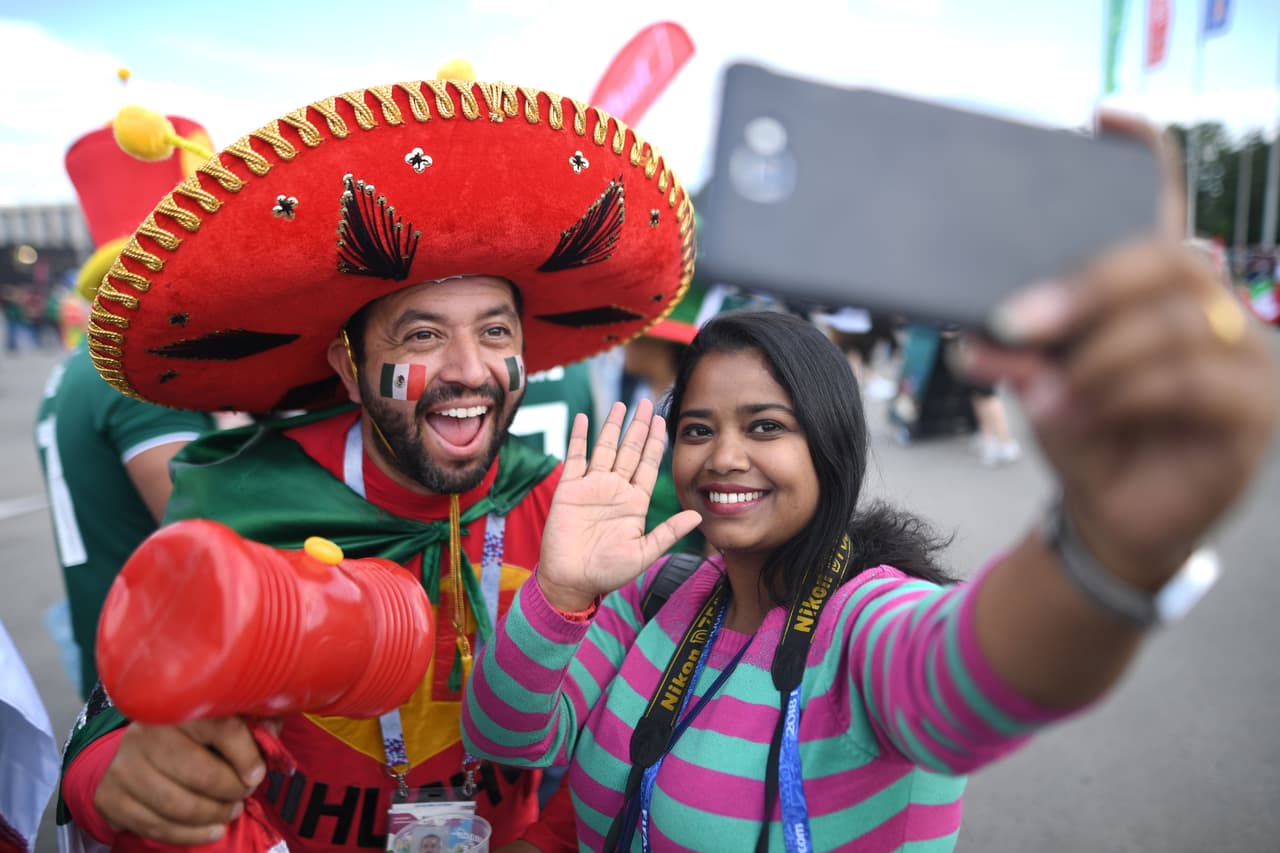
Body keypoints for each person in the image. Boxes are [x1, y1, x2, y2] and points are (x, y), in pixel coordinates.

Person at [459, 115, 1279, 850]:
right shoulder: (654, 592)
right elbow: (508, 736)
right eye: (698, 429)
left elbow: (970, 683)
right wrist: (562, 592)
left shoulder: (863, 621)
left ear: (833, 447)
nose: (722, 457)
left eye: (767, 426)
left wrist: (1107, 548)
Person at [57, 74, 695, 853]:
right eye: (423, 336)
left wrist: (552, 837)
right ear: (351, 367)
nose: (470, 369)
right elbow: (117, 728)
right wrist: (119, 774)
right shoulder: (246, 505)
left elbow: (631, 719)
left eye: (496, 333)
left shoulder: (570, 507)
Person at [34, 115, 219, 699]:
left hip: (116, 651)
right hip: (170, 674)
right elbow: (214, 538)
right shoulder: (142, 371)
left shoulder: (87, 360)